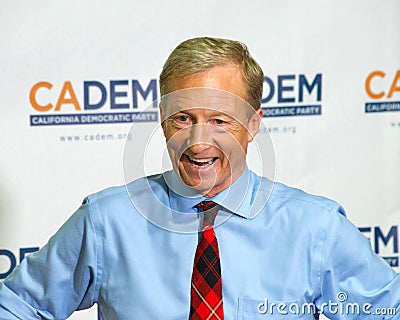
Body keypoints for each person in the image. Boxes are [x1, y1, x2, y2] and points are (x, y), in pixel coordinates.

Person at [0, 37, 399, 320]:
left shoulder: (316, 228)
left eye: (219, 120)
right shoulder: (106, 222)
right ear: (161, 120)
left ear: (253, 125)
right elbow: (16, 305)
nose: (198, 141)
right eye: (183, 119)